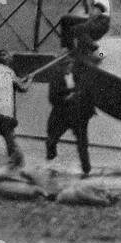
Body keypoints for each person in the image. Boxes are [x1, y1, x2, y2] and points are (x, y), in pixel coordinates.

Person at [45, 43, 96, 175]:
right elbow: (52, 97)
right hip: (62, 113)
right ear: (61, 66)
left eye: (70, 64)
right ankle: (51, 165)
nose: (69, 66)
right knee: (51, 140)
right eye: (66, 64)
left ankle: (87, 170)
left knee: (82, 145)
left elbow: (101, 56)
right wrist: (67, 97)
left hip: (78, 114)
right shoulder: (56, 78)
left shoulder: (81, 73)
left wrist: (99, 54)